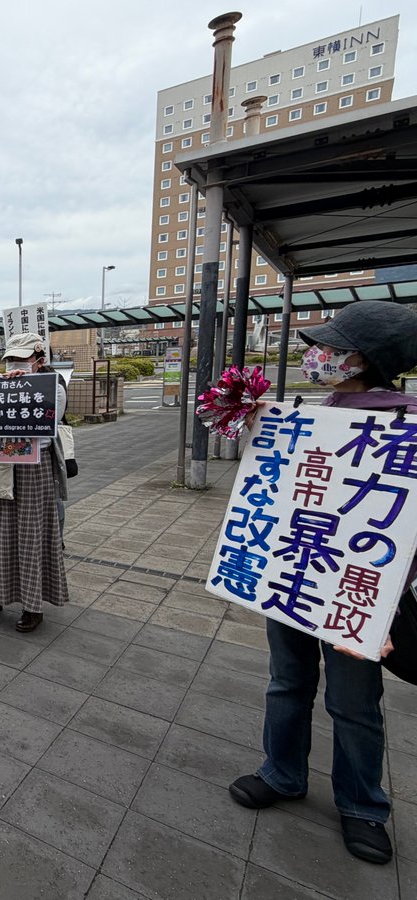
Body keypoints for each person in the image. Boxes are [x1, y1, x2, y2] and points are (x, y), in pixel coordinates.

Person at [228, 300, 417, 866]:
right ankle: (281, 772)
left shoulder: (406, 425)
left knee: (353, 702)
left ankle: (363, 805)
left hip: (360, 588)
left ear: (366, 359)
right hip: (294, 570)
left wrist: (385, 607)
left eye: (332, 348)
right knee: (286, 681)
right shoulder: (315, 413)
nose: (319, 356)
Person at [0, 332, 69, 633]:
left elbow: (43, 428)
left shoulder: (54, 387)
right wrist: (1, 393)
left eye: (21, 359)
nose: (14, 364)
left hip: (34, 471)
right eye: (11, 358)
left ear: (39, 359)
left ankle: (32, 605)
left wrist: (21, 390)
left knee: (30, 535)